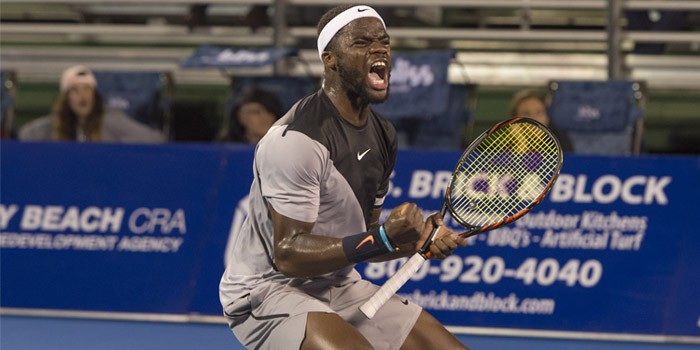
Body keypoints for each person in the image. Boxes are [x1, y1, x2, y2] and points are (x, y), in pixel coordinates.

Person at [219, 4, 469, 350]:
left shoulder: (383, 135)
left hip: (337, 283)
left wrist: (416, 240)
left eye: (384, 41)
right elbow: (288, 254)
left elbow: (361, 240)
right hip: (267, 291)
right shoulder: (297, 140)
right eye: (362, 42)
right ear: (330, 59)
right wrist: (383, 238)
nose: (380, 49)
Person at [18, 65, 163, 143]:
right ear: (66, 97)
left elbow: (153, 138)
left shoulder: (110, 119)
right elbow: (25, 135)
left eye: (87, 89)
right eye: (75, 90)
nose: (82, 96)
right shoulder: (54, 123)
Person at [509, 89, 574, 153]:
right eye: (526, 113)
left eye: (539, 112)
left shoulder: (561, 142)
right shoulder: (505, 144)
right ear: (515, 119)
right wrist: (521, 144)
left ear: (547, 116)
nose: (534, 118)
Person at [216, 87, 283, 144]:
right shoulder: (224, 146)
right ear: (241, 117)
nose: (265, 117)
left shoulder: (285, 145)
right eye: (256, 112)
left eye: (269, 111)